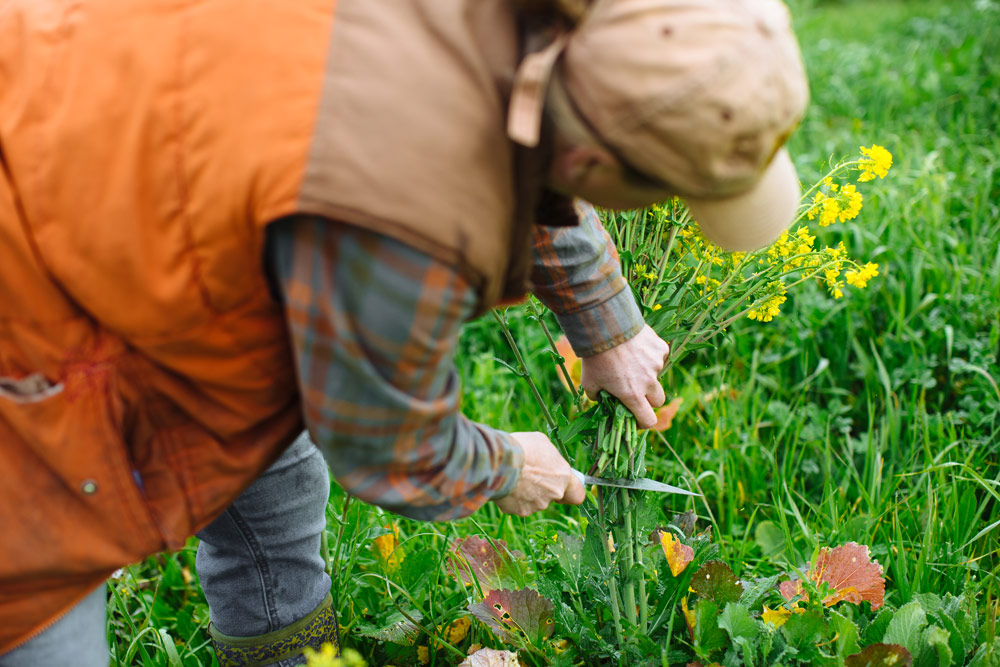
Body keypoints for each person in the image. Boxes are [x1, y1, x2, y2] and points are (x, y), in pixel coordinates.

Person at [0, 0, 807, 664]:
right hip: (36, 308)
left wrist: (606, 326)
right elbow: (387, 448)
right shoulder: (400, 214)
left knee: (276, 482)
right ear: (594, 160)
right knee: (38, 610)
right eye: (658, 191)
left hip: (129, 139)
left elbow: (533, 138)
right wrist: (507, 465)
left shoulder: (536, 30)